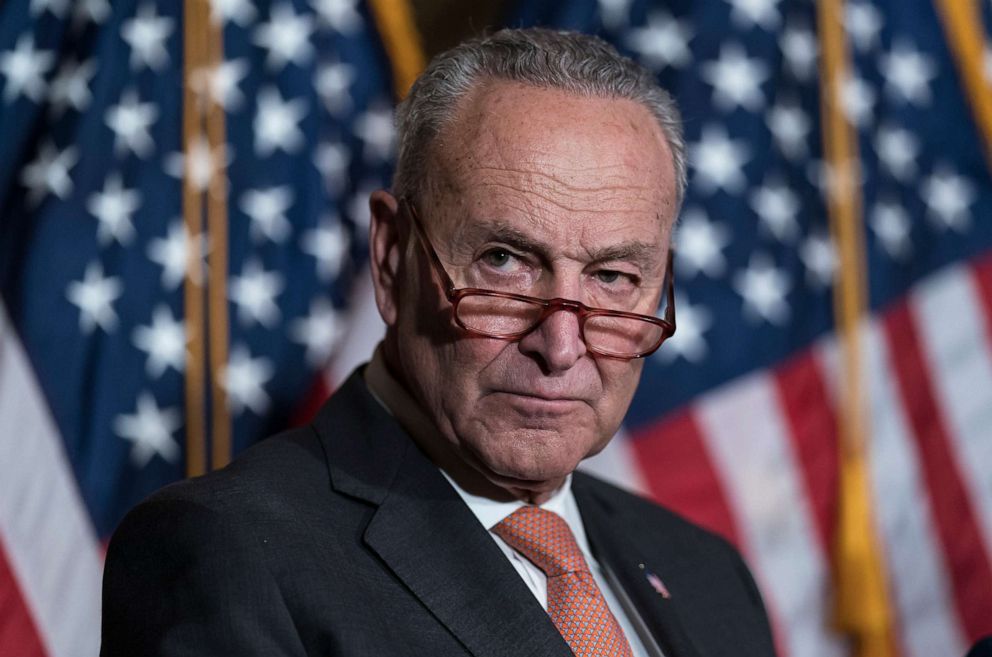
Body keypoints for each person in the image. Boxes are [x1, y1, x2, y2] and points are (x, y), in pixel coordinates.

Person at [101, 28, 776, 657]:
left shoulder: (707, 573)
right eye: (505, 261)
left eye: (614, 276)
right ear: (392, 258)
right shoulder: (227, 552)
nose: (563, 345)